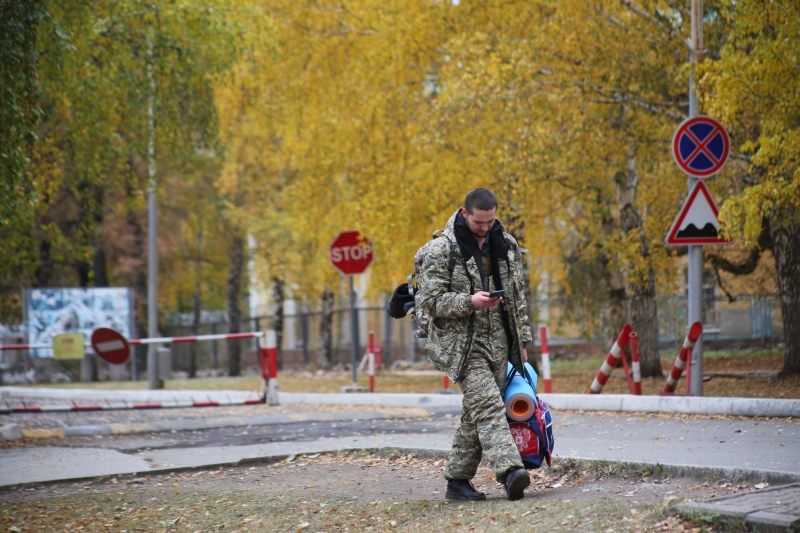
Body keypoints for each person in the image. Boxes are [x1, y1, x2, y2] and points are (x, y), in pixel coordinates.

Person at [418, 187, 534, 501]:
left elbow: (517, 297)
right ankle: (511, 471)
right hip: (460, 346)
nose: (485, 228)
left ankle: (457, 481)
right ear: (465, 213)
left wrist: (522, 340)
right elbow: (429, 302)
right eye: (479, 222)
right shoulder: (441, 250)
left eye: (490, 222)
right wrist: (469, 302)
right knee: (488, 405)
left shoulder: (505, 244)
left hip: (498, 341)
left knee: (476, 412)